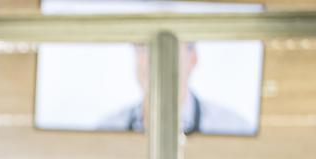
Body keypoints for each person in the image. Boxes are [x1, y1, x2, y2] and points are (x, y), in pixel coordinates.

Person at [97, 43, 255, 136]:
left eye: (166, 46)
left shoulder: (234, 129)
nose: (152, 59)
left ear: (192, 58)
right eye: (143, 47)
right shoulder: (106, 131)